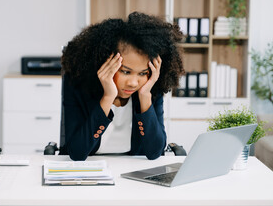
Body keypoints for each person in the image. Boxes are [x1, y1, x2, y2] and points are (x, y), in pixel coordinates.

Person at [59, 12, 184, 161]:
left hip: (130, 174)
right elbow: (77, 153)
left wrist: (145, 97)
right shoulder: (77, 85)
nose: (133, 82)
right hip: (90, 172)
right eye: (125, 71)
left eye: (142, 73)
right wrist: (107, 98)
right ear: (105, 62)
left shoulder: (150, 89)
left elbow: (154, 152)